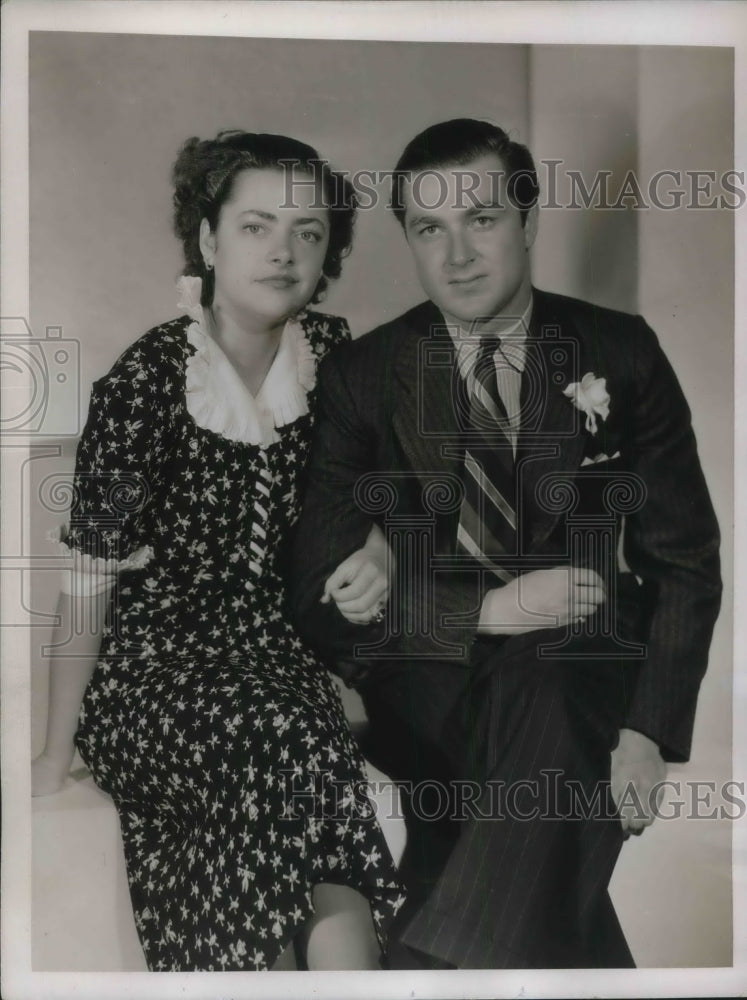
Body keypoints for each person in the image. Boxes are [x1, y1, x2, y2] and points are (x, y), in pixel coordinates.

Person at [291, 118, 722, 969]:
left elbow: (684, 560)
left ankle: (427, 971)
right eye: (428, 230)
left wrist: (646, 732)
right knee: (546, 737)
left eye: (481, 220)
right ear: (409, 241)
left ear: (527, 222)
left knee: (552, 685)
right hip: (428, 681)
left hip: (582, 662)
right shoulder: (365, 375)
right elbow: (318, 586)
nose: (456, 256)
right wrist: (484, 610)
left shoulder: (618, 352)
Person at [32, 130, 404, 972]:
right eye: (256, 226)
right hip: (154, 668)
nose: (283, 252)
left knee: (295, 746)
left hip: (277, 658)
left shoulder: (338, 359)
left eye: (308, 233)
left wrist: (379, 541)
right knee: (283, 741)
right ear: (206, 239)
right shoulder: (148, 382)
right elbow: (87, 582)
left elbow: (386, 487)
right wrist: (58, 752)